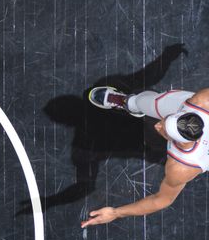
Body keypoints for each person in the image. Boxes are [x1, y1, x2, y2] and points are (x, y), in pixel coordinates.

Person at [82, 86, 209, 227]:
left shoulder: (182, 168)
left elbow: (161, 200)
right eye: (165, 120)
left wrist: (116, 212)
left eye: (164, 130)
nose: (157, 126)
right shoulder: (203, 100)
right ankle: (130, 102)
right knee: (143, 102)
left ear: (179, 141)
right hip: (183, 105)